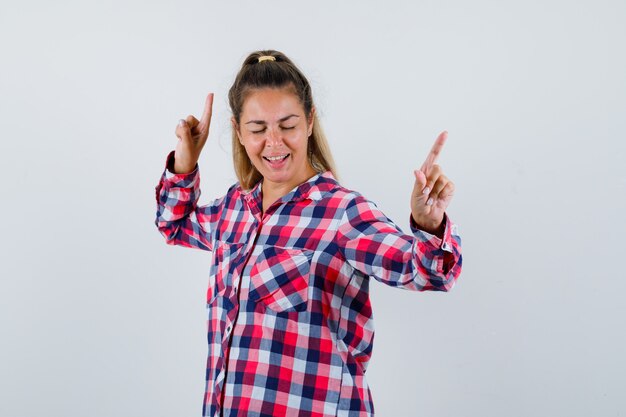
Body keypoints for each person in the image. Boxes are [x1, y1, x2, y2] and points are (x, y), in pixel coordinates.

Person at [155, 50, 462, 417]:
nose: (274, 142)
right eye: (257, 129)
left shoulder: (342, 214)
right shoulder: (233, 211)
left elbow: (429, 271)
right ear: (238, 130)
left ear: (310, 120)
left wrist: (429, 224)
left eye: (287, 125)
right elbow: (173, 224)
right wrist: (185, 161)